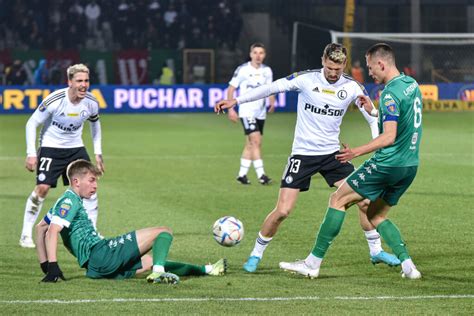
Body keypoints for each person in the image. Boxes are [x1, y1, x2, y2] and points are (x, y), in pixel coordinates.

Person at [215, 43, 400, 273]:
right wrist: (236, 101)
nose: (333, 73)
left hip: (333, 156)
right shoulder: (306, 79)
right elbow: (271, 88)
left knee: (364, 201)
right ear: (323, 60)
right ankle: (255, 254)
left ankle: (376, 251)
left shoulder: (352, 87)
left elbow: (373, 117)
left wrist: (376, 144)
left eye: (338, 68)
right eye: (330, 67)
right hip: (303, 155)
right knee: (283, 211)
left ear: (344, 65)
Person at [278, 43, 423, 279]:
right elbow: (403, 119)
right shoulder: (411, 85)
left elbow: (389, 136)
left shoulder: (388, 93)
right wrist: (375, 113)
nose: (369, 73)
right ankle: (409, 267)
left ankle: (312, 264)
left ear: (381, 64)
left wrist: (357, 152)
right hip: (410, 166)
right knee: (376, 215)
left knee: (337, 199)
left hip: (388, 163)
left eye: (369, 67)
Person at [36, 159, 227, 283]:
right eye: (92, 180)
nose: (95, 186)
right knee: (163, 231)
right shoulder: (69, 200)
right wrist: (53, 267)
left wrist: (45, 265)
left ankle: (208, 269)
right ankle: (159, 273)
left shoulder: (66, 200)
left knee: (151, 261)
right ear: (76, 182)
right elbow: (52, 230)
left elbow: (40, 228)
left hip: (96, 268)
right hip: (102, 253)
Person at [20, 63, 104, 248]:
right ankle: (26, 234)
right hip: (51, 147)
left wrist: (98, 152)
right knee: (42, 188)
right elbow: (31, 123)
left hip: (75, 148)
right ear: (70, 82)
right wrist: (31, 153)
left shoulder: (91, 102)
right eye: (79, 81)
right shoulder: (55, 100)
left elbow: (95, 125)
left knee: (89, 187)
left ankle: (92, 231)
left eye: (86, 80)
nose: (84, 85)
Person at [226, 42, 275, 185]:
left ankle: (242, 175)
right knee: (256, 141)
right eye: (255, 52)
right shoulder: (242, 70)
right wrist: (231, 109)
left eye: (261, 53)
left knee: (250, 144)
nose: (258, 56)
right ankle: (262, 175)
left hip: (260, 112)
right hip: (247, 111)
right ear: (250, 54)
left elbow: (269, 89)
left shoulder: (267, 71)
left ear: (264, 55)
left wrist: (272, 101)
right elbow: (231, 89)